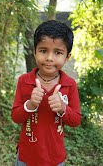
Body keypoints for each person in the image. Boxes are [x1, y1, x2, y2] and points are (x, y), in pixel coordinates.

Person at [11, 20, 81, 166]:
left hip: (55, 158)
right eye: (43, 51)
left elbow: (75, 121)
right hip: (26, 157)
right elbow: (15, 117)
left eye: (58, 52)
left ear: (67, 57)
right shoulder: (24, 81)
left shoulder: (69, 85)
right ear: (35, 52)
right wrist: (30, 104)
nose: (49, 58)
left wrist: (63, 108)